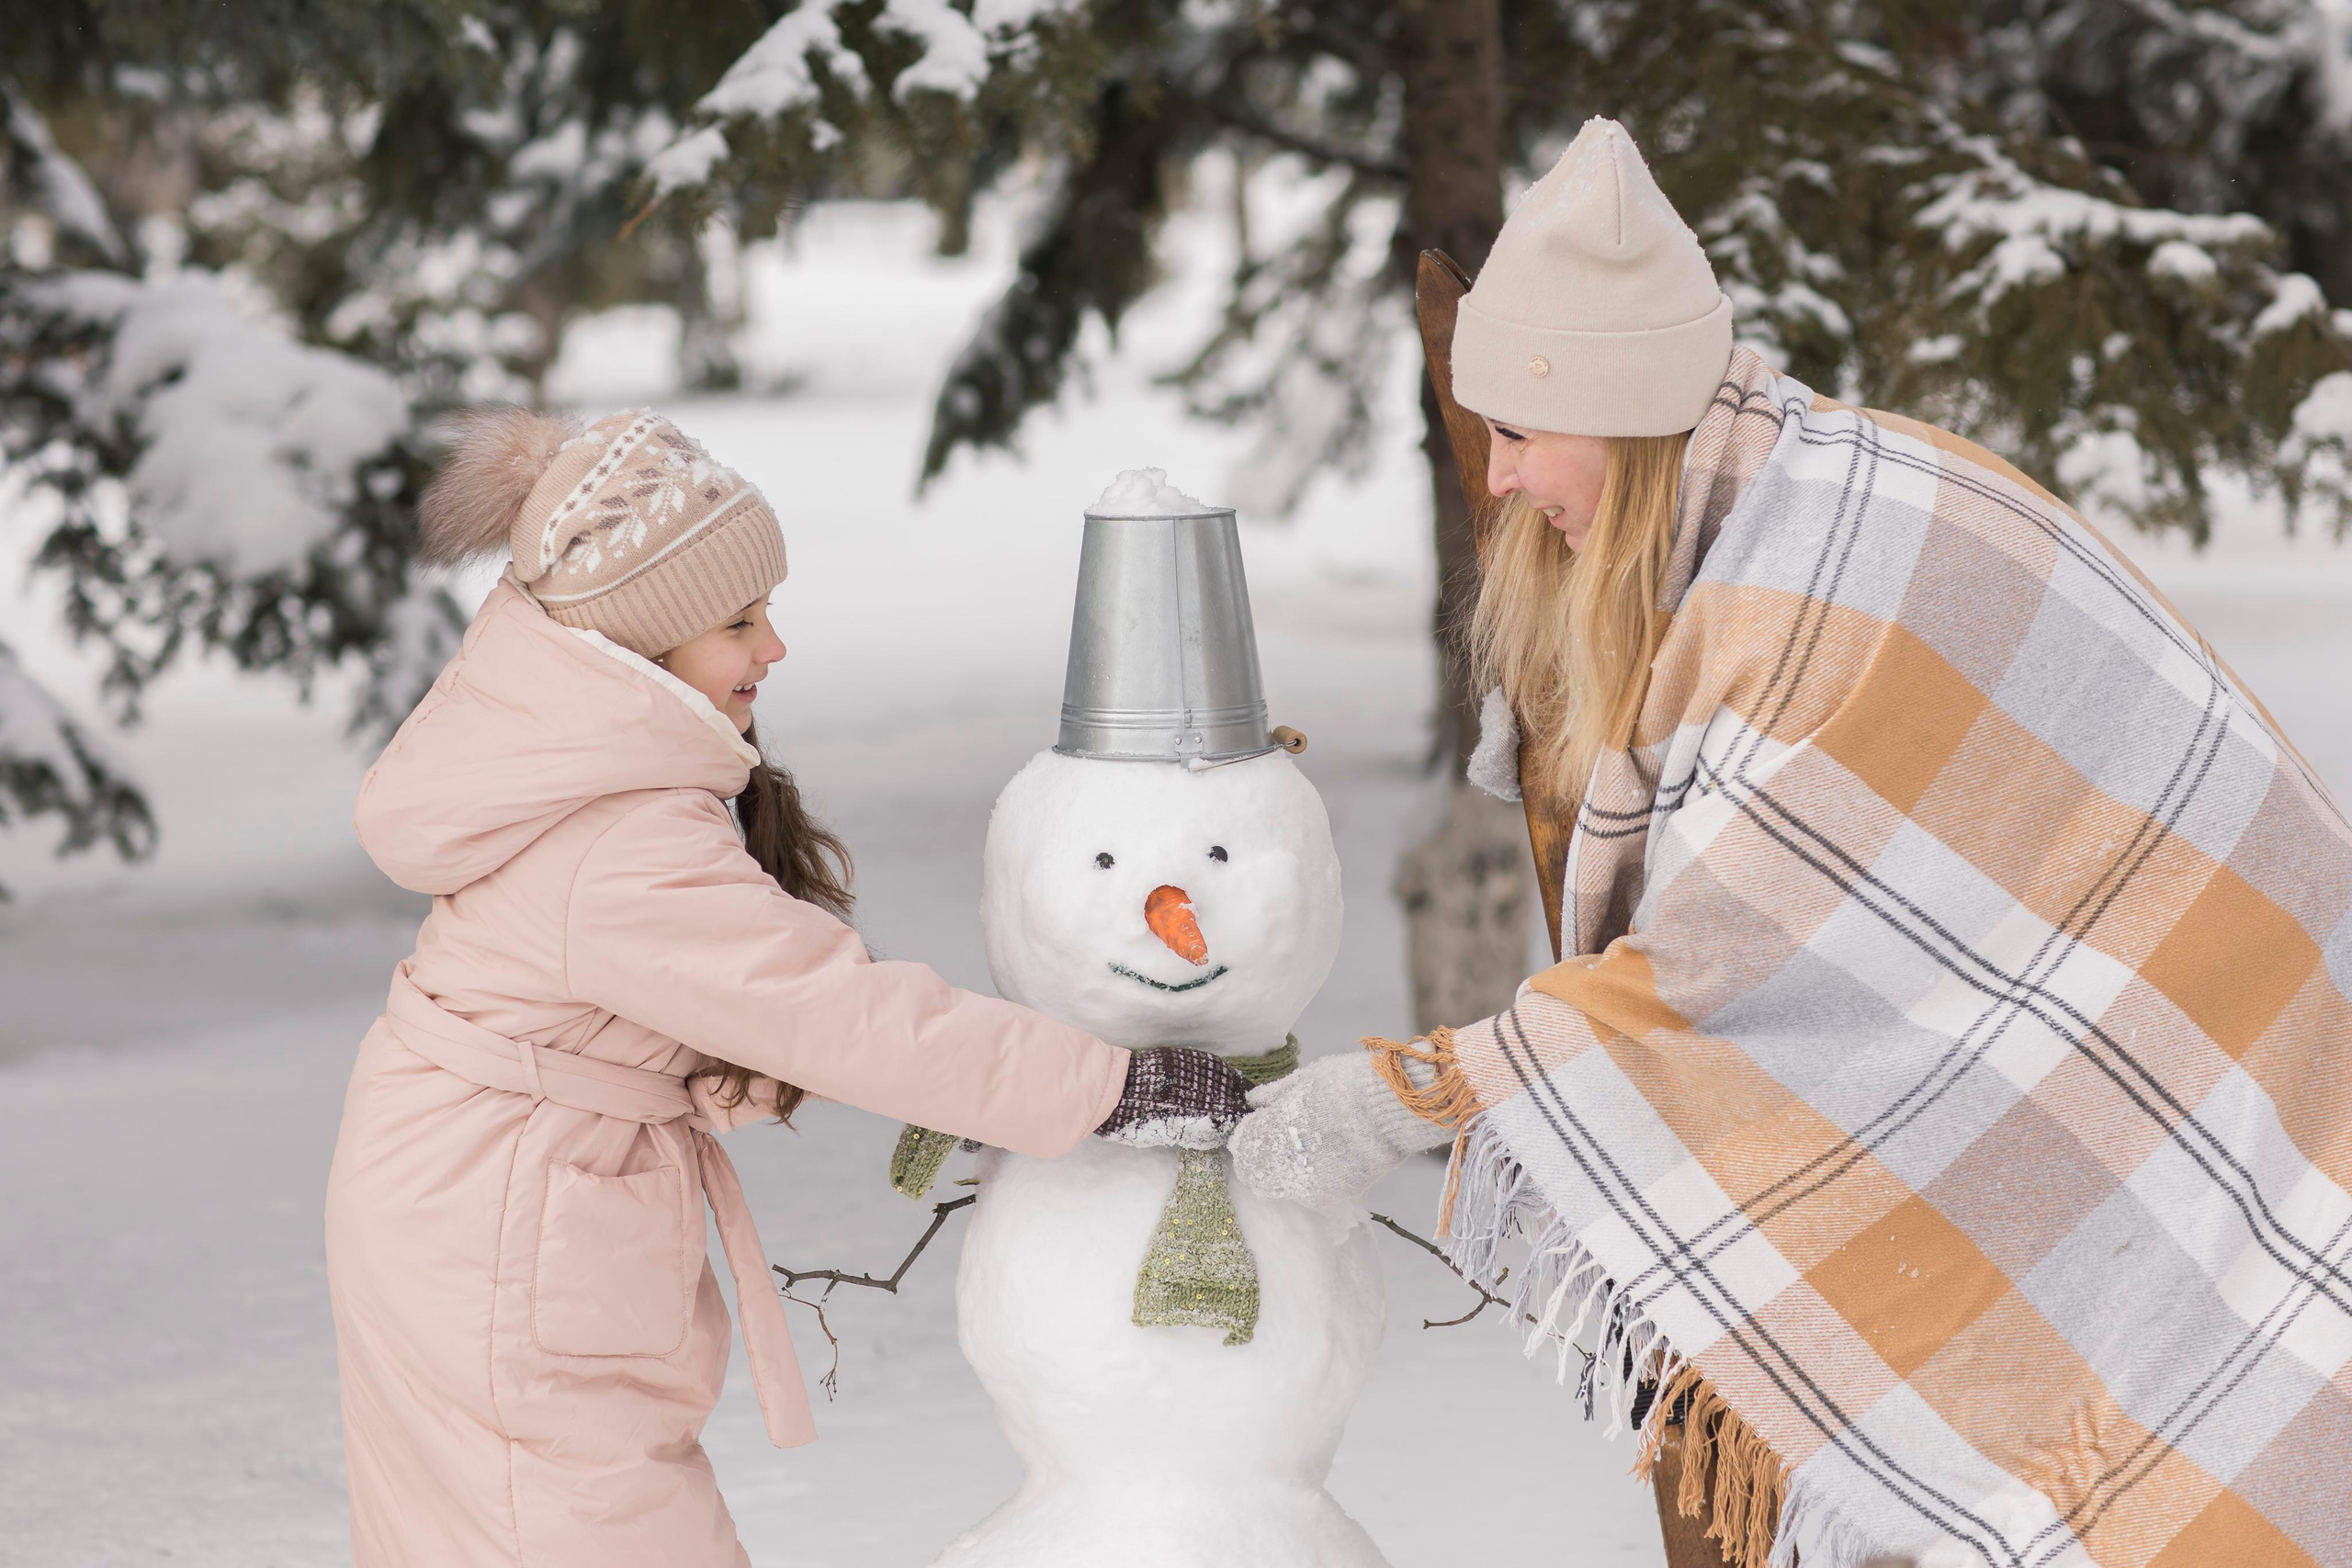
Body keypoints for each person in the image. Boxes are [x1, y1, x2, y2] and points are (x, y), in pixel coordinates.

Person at [1234, 118, 2352, 1568]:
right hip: (2213, 988)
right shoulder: (1783, 489)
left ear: (1624, 412)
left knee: (2152, 1405)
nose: (1496, 479)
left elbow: (1729, 970)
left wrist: (1409, 1094)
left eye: (1517, 429)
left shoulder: (1812, 580)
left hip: (2223, 1009)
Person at [324, 407, 1252, 1568]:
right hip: (503, 1214)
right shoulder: (621, 838)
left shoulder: (579, 773)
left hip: (467, 1184)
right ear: (639, 642)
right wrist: (1106, 1085)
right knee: (574, 1526)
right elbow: (838, 1015)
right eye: (737, 621)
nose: (774, 648)